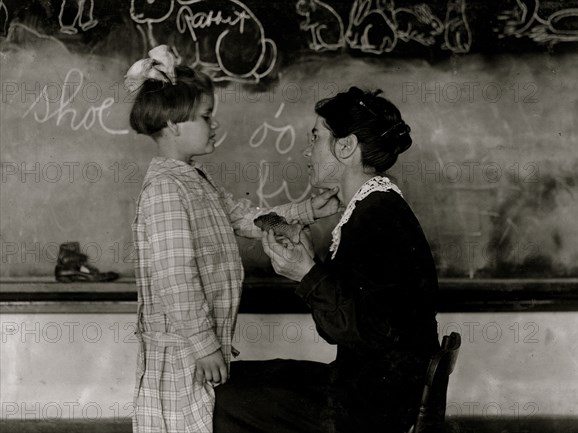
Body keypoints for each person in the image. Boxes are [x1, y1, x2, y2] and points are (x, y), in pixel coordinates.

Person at [127, 45, 340, 433]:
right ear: (174, 124)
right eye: (206, 117)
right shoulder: (165, 190)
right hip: (182, 351)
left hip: (198, 345)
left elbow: (247, 217)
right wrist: (204, 344)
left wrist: (307, 211)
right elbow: (176, 276)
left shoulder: (193, 181)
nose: (215, 125)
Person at [214, 87, 440, 433]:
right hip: (367, 391)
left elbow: (362, 329)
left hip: (368, 410)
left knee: (219, 399)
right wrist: (310, 266)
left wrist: (307, 273)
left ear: (346, 147)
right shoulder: (373, 209)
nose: (307, 152)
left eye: (316, 138)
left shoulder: (376, 217)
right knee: (231, 378)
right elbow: (348, 322)